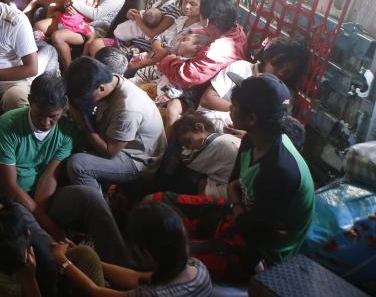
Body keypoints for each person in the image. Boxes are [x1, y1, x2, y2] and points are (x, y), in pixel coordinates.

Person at [153, 75, 314, 281]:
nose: (230, 109)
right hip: (237, 216)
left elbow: (252, 231)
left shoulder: (280, 170)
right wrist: (236, 203)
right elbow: (232, 187)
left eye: (235, 105)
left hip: (260, 253)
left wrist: (236, 202)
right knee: (157, 204)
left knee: (166, 256)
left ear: (252, 119)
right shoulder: (250, 140)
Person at [51, 201, 213, 297]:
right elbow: (136, 277)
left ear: (147, 253)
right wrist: (92, 260)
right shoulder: (198, 268)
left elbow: (94, 291)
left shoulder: (151, 295)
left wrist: (63, 261)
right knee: (86, 254)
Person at [0, 73, 75, 241]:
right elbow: (10, 187)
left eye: (53, 116)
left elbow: (49, 178)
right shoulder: (7, 126)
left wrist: (40, 220)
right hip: (6, 199)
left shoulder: (67, 131)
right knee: (37, 239)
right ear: (29, 100)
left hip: (40, 200)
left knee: (86, 198)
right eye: (39, 114)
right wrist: (47, 225)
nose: (45, 122)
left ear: (63, 109)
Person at [64, 56, 167, 190]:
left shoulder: (128, 108)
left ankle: (99, 208)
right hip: (118, 141)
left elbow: (109, 152)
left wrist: (83, 124)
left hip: (137, 160)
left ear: (100, 88)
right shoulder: (109, 80)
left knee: (78, 165)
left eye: (84, 96)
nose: (82, 100)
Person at [196, 36, 309, 132]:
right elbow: (207, 99)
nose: (281, 73)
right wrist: (244, 115)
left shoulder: (284, 94)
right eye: (278, 65)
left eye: (288, 71)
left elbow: (274, 128)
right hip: (204, 126)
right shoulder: (241, 68)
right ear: (267, 57)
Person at [156, 0, 248, 90]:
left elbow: (184, 78)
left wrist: (173, 56)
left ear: (206, 21)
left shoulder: (213, 53)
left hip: (201, 91)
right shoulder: (237, 31)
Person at [86, 0, 184, 57]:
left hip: (142, 50)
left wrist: (138, 19)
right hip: (130, 42)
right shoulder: (155, 2)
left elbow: (153, 33)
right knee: (95, 44)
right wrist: (131, 14)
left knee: (99, 49)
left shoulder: (174, 10)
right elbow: (144, 21)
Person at [168, 111, 241, 199]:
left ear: (199, 127)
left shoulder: (215, 145)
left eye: (188, 141)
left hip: (233, 191)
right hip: (234, 181)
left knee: (197, 182)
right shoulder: (221, 137)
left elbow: (186, 160)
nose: (190, 148)